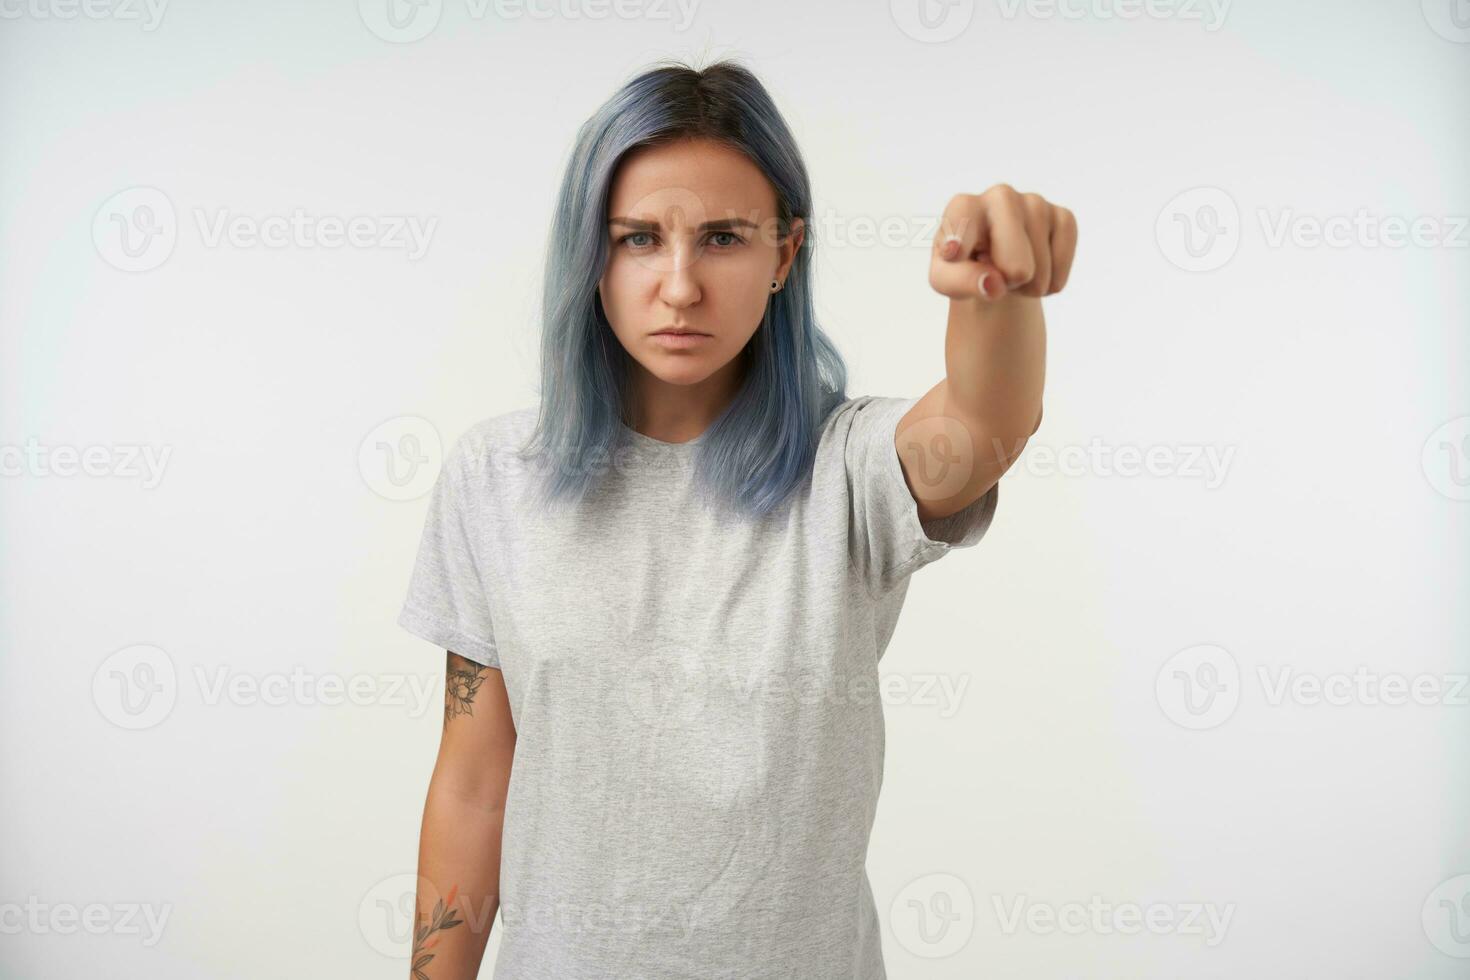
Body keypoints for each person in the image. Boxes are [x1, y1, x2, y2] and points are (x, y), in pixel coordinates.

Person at [397, 57, 1075, 980]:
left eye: (721, 237)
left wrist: (997, 296)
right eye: (639, 239)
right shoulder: (495, 479)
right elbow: (475, 784)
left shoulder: (847, 469)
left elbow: (982, 428)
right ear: (590, 254)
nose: (679, 286)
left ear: (784, 254)